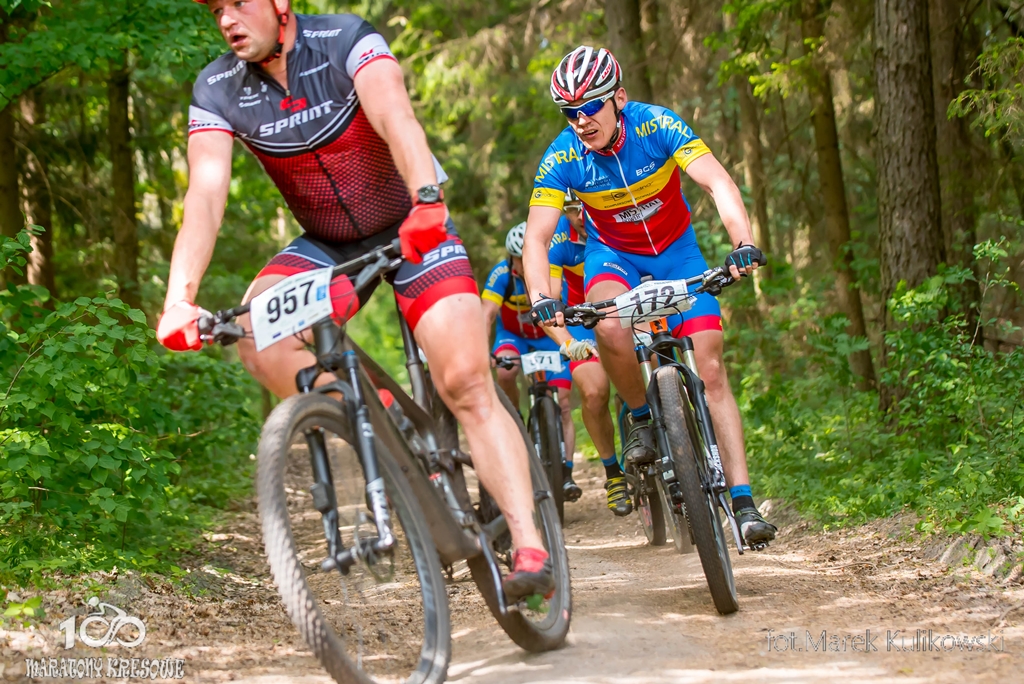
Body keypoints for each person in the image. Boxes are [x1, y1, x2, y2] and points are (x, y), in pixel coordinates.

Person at [155, 0, 553, 598]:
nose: (227, 19)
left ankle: (529, 546)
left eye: (239, 2)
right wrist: (179, 300)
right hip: (327, 244)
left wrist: (427, 200)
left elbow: (397, 119)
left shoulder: (344, 40)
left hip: (412, 222)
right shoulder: (217, 88)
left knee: (467, 381)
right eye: (217, 10)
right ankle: (387, 425)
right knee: (258, 337)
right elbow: (205, 197)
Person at [521, 45, 777, 547]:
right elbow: (536, 236)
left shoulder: (657, 124)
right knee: (608, 325)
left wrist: (742, 242)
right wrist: (539, 295)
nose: (580, 120)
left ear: (618, 98)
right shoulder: (563, 156)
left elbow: (717, 182)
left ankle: (744, 503)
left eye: (590, 107)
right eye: (569, 112)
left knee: (711, 368)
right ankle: (640, 418)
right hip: (613, 257)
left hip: (678, 254)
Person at [544, 193, 631, 516]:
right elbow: (548, 300)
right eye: (572, 209)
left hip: (623, 312)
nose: (580, 216)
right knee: (593, 392)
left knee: (652, 366)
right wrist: (567, 342)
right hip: (581, 323)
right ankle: (613, 474)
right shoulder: (559, 240)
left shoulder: (617, 219)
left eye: (584, 206)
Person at [481, 223, 578, 500]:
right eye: (517, 259)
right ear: (510, 258)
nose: (523, 266)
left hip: (549, 337)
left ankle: (566, 473)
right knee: (506, 372)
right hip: (514, 338)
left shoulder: (553, 270)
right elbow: (487, 313)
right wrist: (481, 350)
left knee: (564, 403)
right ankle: (514, 415)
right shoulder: (501, 274)